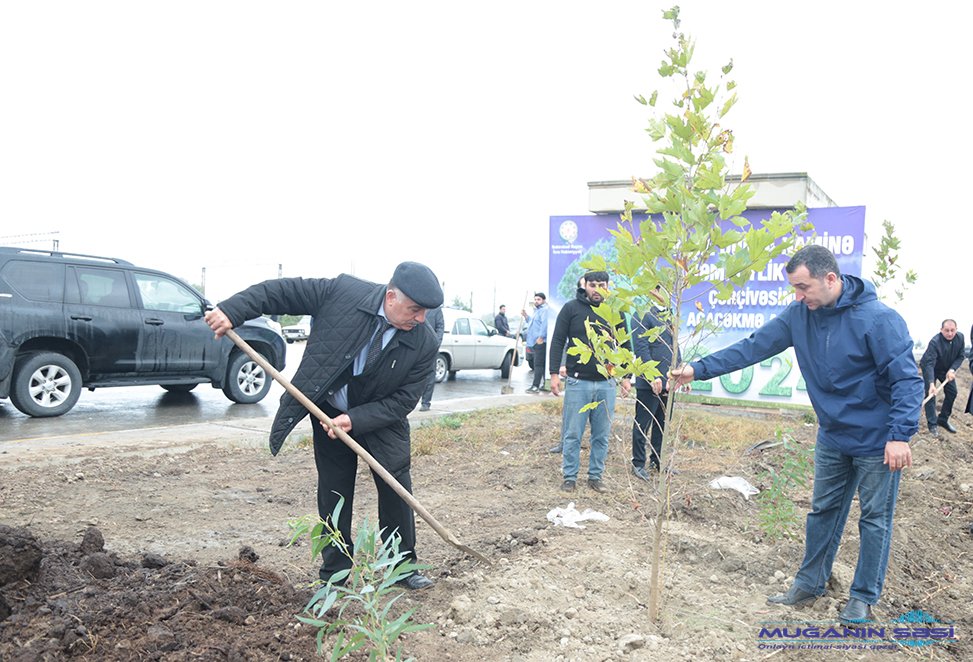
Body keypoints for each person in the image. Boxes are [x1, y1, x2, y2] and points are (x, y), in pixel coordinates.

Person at [671, 245, 921, 625]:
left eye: (803, 287)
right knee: (823, 511)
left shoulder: (879, 320)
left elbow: (906, 380)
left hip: (877, 439)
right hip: (834, 436)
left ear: (830, 279)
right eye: (794, 288)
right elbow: (752, 347)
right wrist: (698, 370)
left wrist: (900, 435)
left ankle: (862, 598)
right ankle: (809, 583)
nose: (798, 296)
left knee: (874, 519)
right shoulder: (799, 315)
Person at [203, 261, 443, 591]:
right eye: (415, 310)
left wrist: (356, 419)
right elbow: (279, 292)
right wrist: (233, 311)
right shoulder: (341, 293)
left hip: (381, 419)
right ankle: (336, 574)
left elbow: (404, 400)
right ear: (391, 297)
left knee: (395, 490)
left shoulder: (424, 341)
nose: (420, 319)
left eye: (425, 313)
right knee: (333, 492)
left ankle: (401, 567)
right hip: (328, 412)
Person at [548, 271, 631, 493]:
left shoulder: (615, 312)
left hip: (607, 383)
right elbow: (557, 341)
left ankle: (595, 477)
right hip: (578, 383)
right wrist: (554, 374)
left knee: (601, 435)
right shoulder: (571, 309)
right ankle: (570, 477)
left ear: (608, 286)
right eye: (592, 285)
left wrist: (626, 377)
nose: (596, 289)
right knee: (573, 434)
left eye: (601, 285)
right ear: (584, 285)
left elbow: (625, 345)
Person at [631, 290, 678, 481]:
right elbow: (641, 348)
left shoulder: (669, 315)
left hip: (668, 381)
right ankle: (638, 463)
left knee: (662, 423)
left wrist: (680, 370)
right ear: (653, 291)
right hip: (649, 383)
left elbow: (675, 347)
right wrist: (652, 376)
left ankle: (657, 461)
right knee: (644, 423)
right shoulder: (642, 314)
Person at [919, 319, 965, 436]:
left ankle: (943, 419)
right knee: (931, 394)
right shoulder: (935, 342)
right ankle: (932, 424)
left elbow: (961, 356)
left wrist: (952, 369)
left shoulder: (960, 338)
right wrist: (931, 384)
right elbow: (929, 364)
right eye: (946, 330)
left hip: (946, 368)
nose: (950, 333)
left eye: (952, 330)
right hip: (931, 367)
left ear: (956, 329)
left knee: (952, 392)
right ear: (941, 330)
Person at [419, 305, 445, 412]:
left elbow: (440, 326)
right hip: (416, 347)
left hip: (431, 348)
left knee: (430, 376)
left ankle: (425, 403)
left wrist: (436, 343)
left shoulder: (436, 309)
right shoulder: (416, 305)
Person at [522, 292, 549, 393]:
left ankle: (535, 386)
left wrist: (541, 337)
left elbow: (545, 325)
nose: (536, 301)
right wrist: (526, 316)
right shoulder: (536, 311)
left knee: (538, 364)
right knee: (542, 364)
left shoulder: (545, 310)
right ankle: (546, 385)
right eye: (535, 299)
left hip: (541, 341)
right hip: (534, 341)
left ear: (543, 300)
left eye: (538, 299)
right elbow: (532, 323)